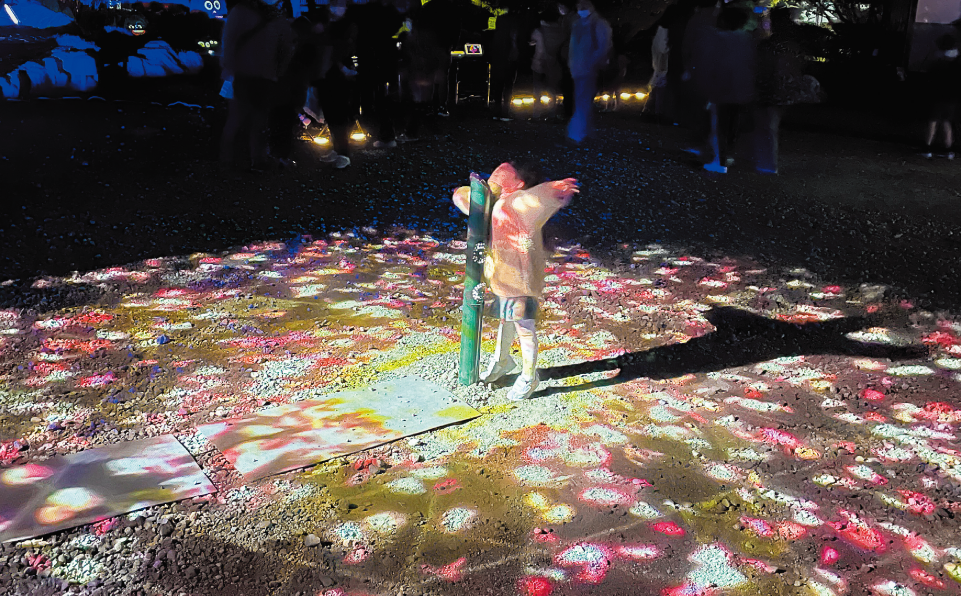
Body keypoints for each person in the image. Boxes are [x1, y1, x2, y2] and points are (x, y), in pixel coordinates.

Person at [452, 163, 578, 401]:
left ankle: (529, 376)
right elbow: (465, 198)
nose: (495, 180)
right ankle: (502, 360)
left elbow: (538, 198)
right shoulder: (497, 204)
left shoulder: (517, 203)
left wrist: (556, 189)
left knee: (524, 328)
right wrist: (474, 190)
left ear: (517, 183)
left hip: (520, 281)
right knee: (506, 320)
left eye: (500, 178)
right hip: (504, 279)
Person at [220, 0, 294, 170]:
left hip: (240, 73)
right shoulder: (277, 17)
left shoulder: (239, 11)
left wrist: (228, 69)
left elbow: (228, 42)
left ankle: (228, 160)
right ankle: (258, 159)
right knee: (259, 120)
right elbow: (286, 48)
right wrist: (278, 72)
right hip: (265, 76)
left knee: (236, 119)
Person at [701, 3, 756, 173]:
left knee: (720, 124)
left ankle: (719, 159)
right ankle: (729, 155)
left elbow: (710, 63)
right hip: (742, 89)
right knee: (733, 124)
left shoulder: (718, 38)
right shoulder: (748, 39)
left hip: (721, 88)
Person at [754, 7, 804, 174]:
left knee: (768, 125)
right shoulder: (792, 44)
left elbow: (763, 67)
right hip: (785, 89)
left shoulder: (770, 45)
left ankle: (767, 163)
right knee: (771, 125)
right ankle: (767, 161)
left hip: (772, 89)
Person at [316, 0, 358, 169]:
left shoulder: (348, 25)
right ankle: (337, 149)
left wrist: (343, 66)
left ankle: (344, 153)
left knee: (339, 114)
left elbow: (345, 48)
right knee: (330, 113)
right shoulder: (325, 22)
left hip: (340, 76)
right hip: (325, 73)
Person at [566, 0, 612, 143]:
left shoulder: (597, 24)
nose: (581, 10)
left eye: (584, 7)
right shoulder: (578, 24)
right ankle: (584, 132)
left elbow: (603, 46)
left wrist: (590, 62)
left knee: (583, 99)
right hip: (580, 68)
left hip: (588, 68)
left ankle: (577, 133)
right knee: (583, 99)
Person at [920, 33, 960, 159]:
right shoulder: (957, 61)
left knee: (932, 122)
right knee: (947, 122)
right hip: (952, 98)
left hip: (938, 96)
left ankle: (927, 148)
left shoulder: (939, 61)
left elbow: (931, 77)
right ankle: (948, 150)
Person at [531, 8, 566, 119]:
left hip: (539, 62)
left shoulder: (539, 31)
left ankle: (537, 113)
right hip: (553, 63)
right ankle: (552, 113)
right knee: (552, 90)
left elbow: (533, 43)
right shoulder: (560, 31)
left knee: (537, 90)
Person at [488, 9, 522, 121]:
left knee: (498, 85)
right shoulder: (513, 30)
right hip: (509, 60)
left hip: (498, 59)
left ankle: (496, 111)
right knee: (508, 85)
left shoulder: (497, 34)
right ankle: (506, 112)